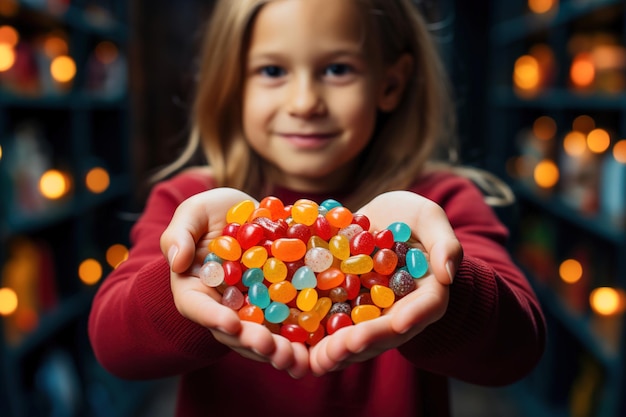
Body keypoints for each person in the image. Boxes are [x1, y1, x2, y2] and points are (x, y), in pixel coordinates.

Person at [88, 1, 546, 416]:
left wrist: (445, 290)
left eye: (337, 69)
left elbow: (519, 350)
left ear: (390, 83)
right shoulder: (192, 209)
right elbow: (113, 348)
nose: (305, 102)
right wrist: (187, 278)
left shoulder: (435, 208)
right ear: (233, 84)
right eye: (271, 71)